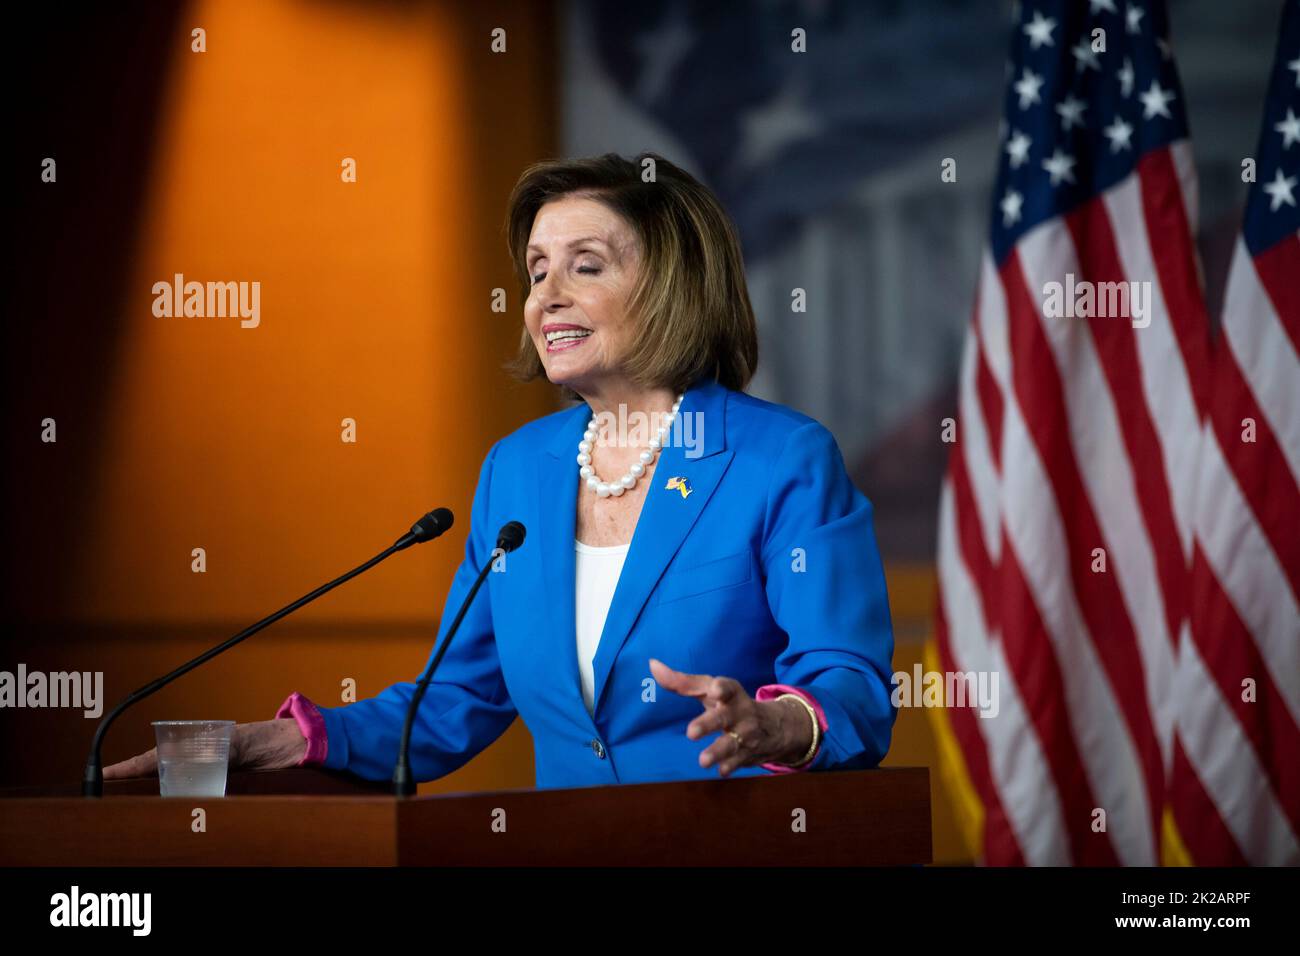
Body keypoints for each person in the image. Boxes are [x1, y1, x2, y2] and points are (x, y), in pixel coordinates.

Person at [106, 152, 897, 789]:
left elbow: (852, 690)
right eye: (536, 269)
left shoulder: (780, 460)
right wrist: (286, 740)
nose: (545, 296)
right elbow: (457, 700)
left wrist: (778, 725)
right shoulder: (518, 472)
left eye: (585, 265)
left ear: (670, 288)